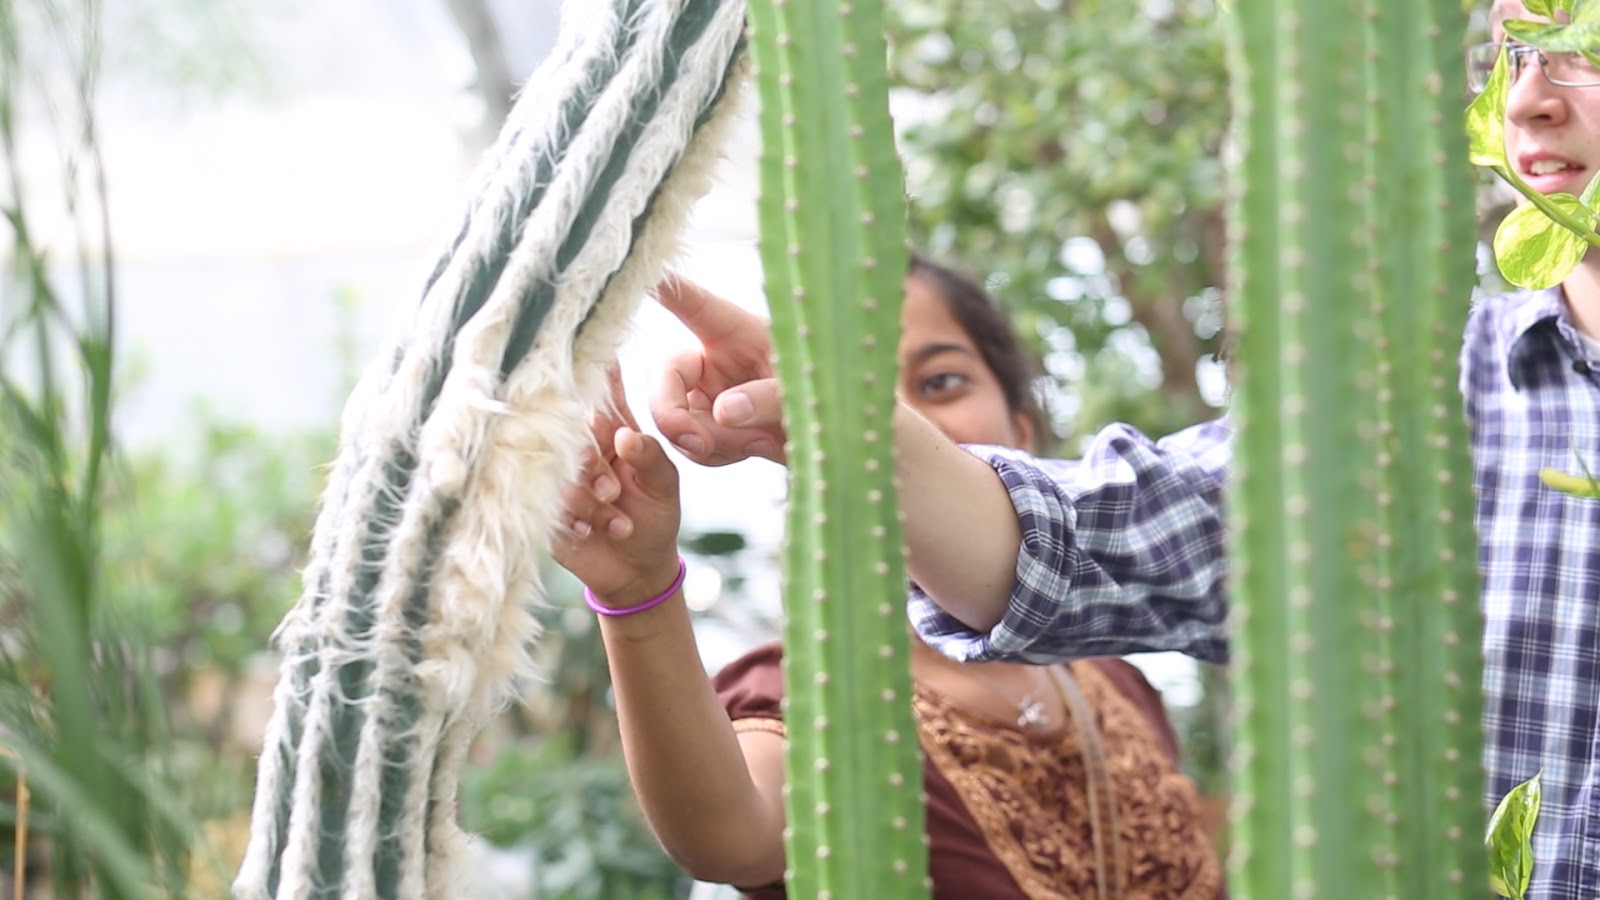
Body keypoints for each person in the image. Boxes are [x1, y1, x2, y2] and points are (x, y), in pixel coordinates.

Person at [640, 5, 1600, 898]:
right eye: (1510, 54)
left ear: (1022, 420)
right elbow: (1089, 538)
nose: (1525, 99)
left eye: (1579, 48)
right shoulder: (1419, 405)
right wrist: (819, 429)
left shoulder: (1120, 697)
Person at [552, 255, 1226, 898]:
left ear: (1021, 430)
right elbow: (728, 835)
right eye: (860, 391)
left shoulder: (1116, 679)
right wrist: (639, 593)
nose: (895, 418)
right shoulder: (812, 695)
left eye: (939, 383)